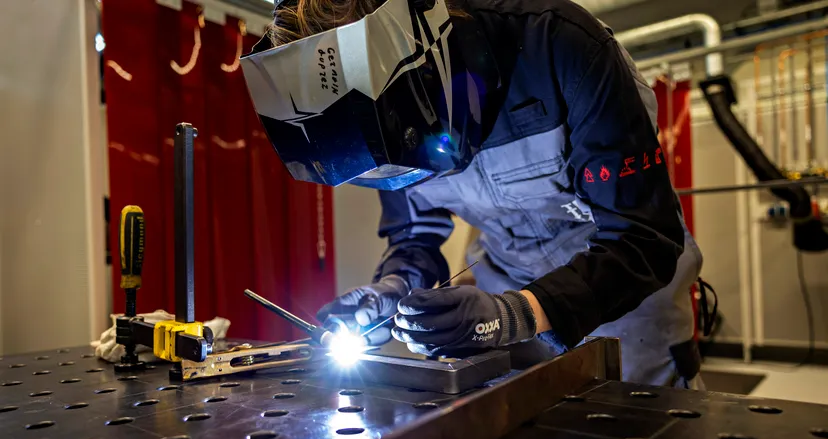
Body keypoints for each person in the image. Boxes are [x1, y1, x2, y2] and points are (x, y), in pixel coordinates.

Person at [240, 0, 704, 388]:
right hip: (500, 317)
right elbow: (416, 237)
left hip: (631, 316)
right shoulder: (384, 121)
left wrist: (514, 315)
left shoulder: (559, 43)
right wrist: (393, 287)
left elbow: (645, 237)